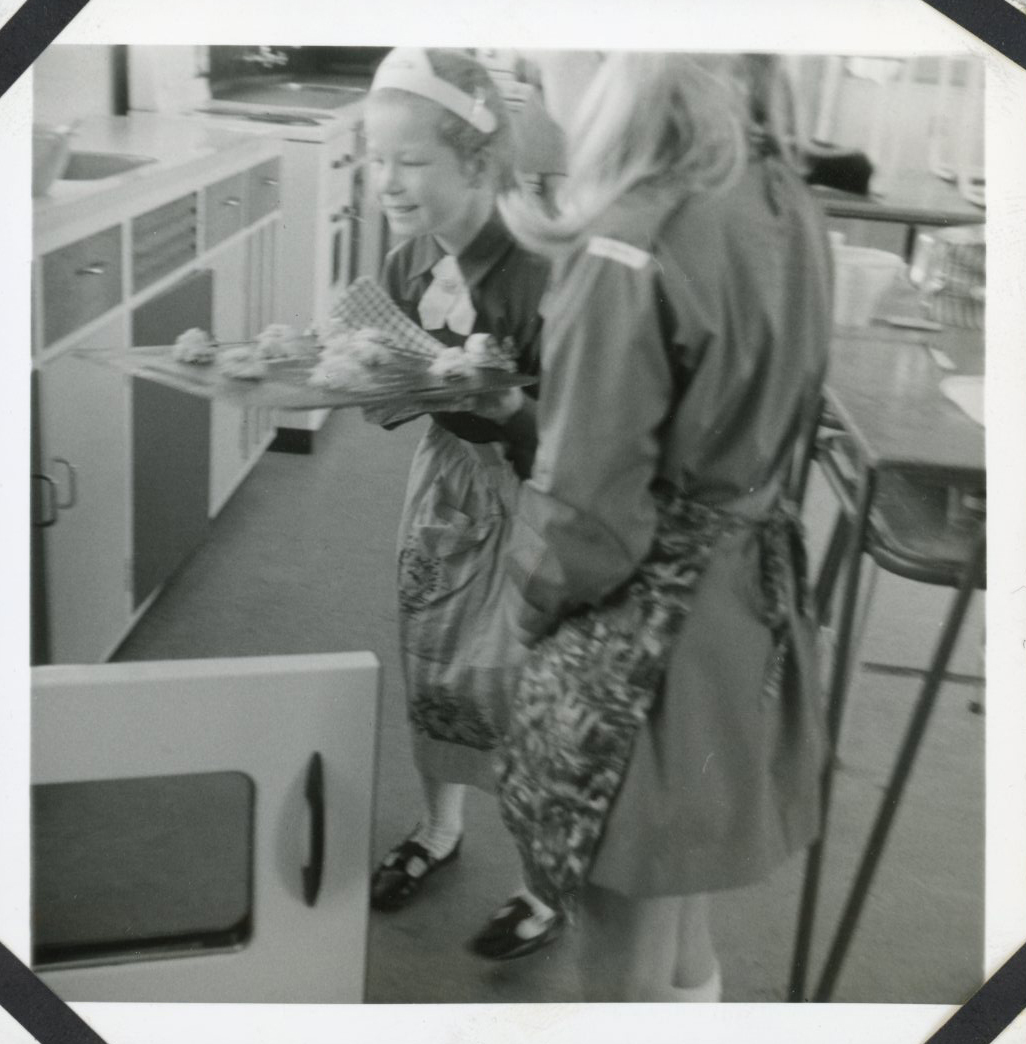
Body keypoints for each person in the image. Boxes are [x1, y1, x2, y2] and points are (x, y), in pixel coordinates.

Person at [486, 52, 833, 1000]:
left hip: (645, 643)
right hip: (744, 606)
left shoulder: (628, 241)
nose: (540, 84)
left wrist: (519, 617)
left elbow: (586, 516)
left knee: (623, 955)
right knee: (681, 922)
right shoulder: (780, 193)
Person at [360, 47, 561, 959]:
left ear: (478, 164)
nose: (387, 181)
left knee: (527, 681)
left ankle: (544, 878)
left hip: (539, 493)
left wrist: (512, 410)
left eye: (410, 161)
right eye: (377, 159)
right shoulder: (408, 262)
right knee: (433, 652)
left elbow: (591, 427)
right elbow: (392, 385)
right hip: (449, 483)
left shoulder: (545, 267)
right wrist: (368, 375)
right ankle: (438, 828)